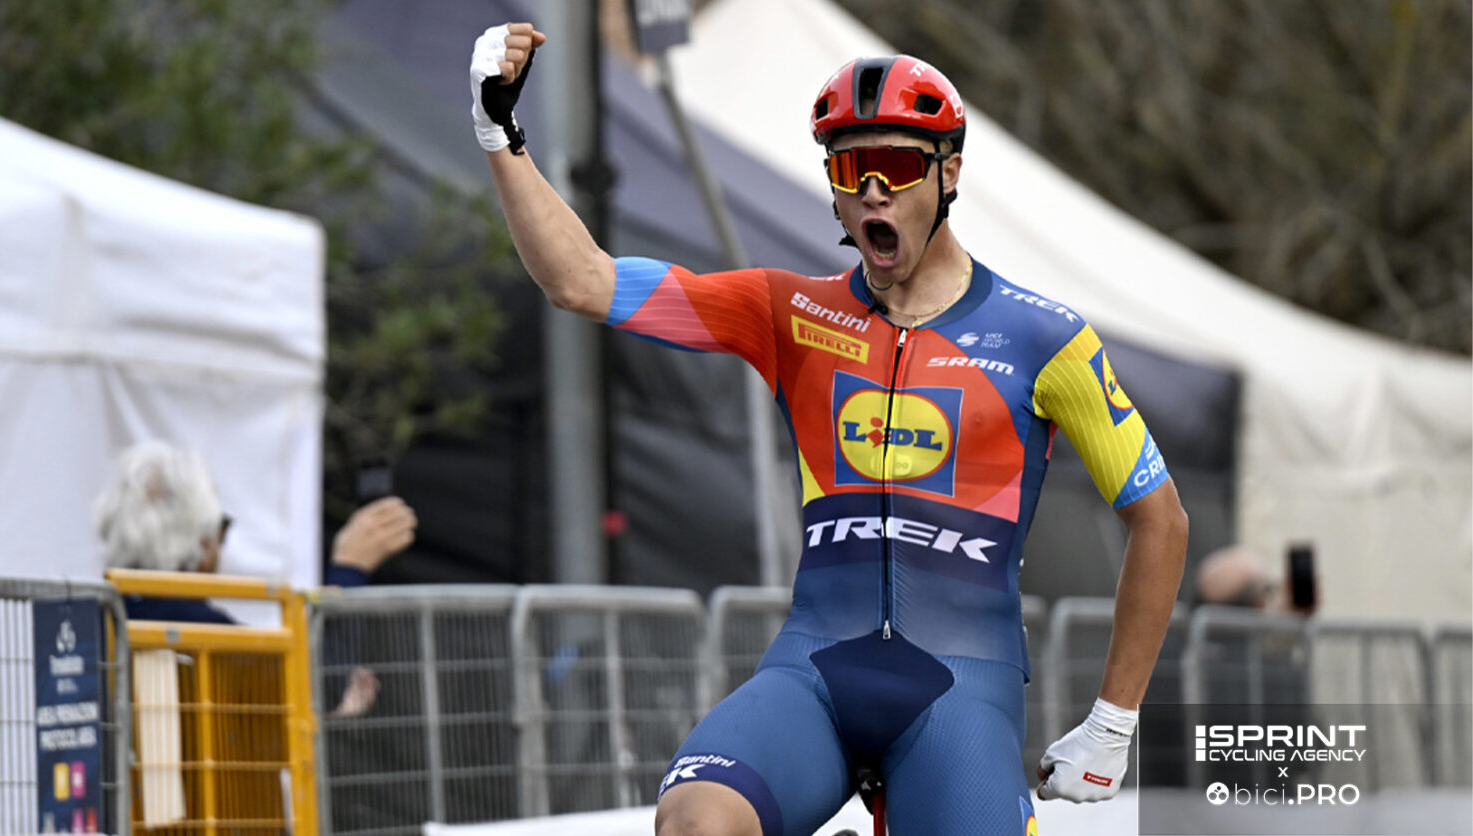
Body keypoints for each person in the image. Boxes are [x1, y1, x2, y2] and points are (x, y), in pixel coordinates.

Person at [471, 24, 1189, 835]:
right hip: (813, 671)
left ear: (949, 173)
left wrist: (1113, 720)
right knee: (695, 823)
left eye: (896, 166)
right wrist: (499, 133)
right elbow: (582, 280)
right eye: (851, 169)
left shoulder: (1043, 338)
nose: (873, 190)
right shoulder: (791, 311)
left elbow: (1160, 521)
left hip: (960, 690)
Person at [93, 440, 417, 715]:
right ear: (201, 542)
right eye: (221, 528)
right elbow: (311, 688)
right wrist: (349, 568)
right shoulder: (195, 628)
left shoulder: (101, 618)